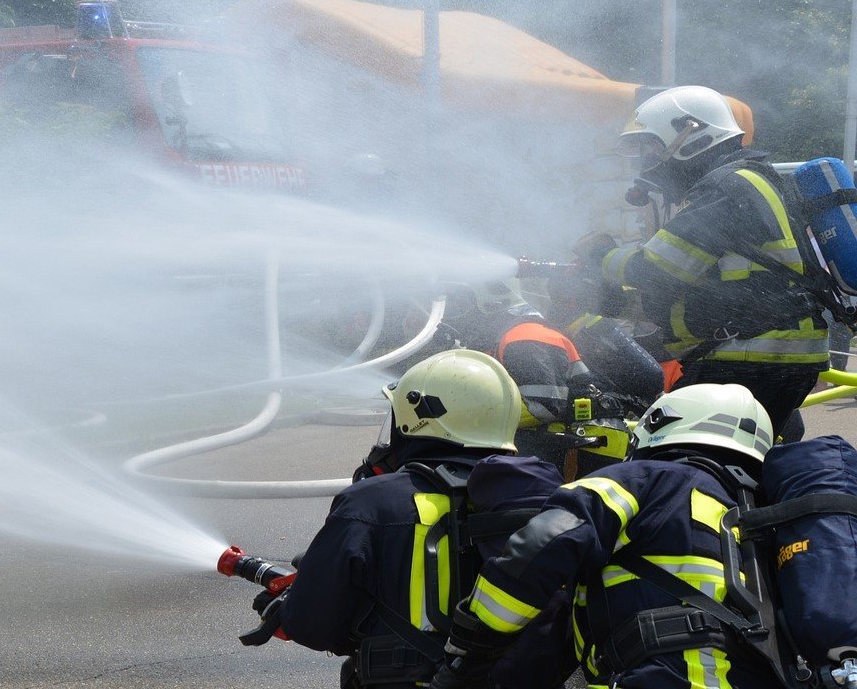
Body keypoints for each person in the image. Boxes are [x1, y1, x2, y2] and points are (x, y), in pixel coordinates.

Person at [429, 383, 784, 689]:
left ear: (660, 426)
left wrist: (467, 656)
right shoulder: (769, 512)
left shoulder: (645, 479)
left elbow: (544, 544)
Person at [272, 349, 574, 688]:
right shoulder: (551, 500)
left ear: (419, 421)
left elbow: (311, 625)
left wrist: (287, 608)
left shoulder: (371, 505)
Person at [577, 85, 829, 439]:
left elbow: (654, 270)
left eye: (653, 146)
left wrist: (600, 256)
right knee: (751, 460)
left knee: (676, 448)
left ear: (693, 134)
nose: (649, 159)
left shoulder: (725, 188)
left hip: (752, 358)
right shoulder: (747, 179)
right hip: (770, 353)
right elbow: (712, 285)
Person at [431, 280, 638, 478]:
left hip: (590, 444)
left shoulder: (524, 336)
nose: (455, 317)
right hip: (577, 439)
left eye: (460, 307)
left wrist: (472, 418)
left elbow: (542, 406)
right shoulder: (510, 337)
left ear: (492, 304)